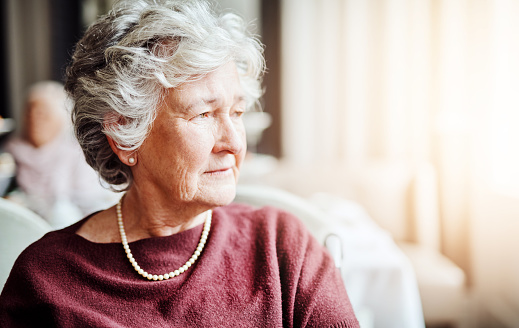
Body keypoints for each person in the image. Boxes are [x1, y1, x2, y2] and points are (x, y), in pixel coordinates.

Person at [0, 1, 360, 326]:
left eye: (237, 112)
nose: (234, 143)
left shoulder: (283, 247)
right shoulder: (45, 279)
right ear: (125, 132)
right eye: (203, 114)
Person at [3, 81, 117, 228]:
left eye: (42, 114)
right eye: (29, 112)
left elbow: (93, 206)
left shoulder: (78, 154)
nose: (34, 120)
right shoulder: (10, 150)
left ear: (61, 119)